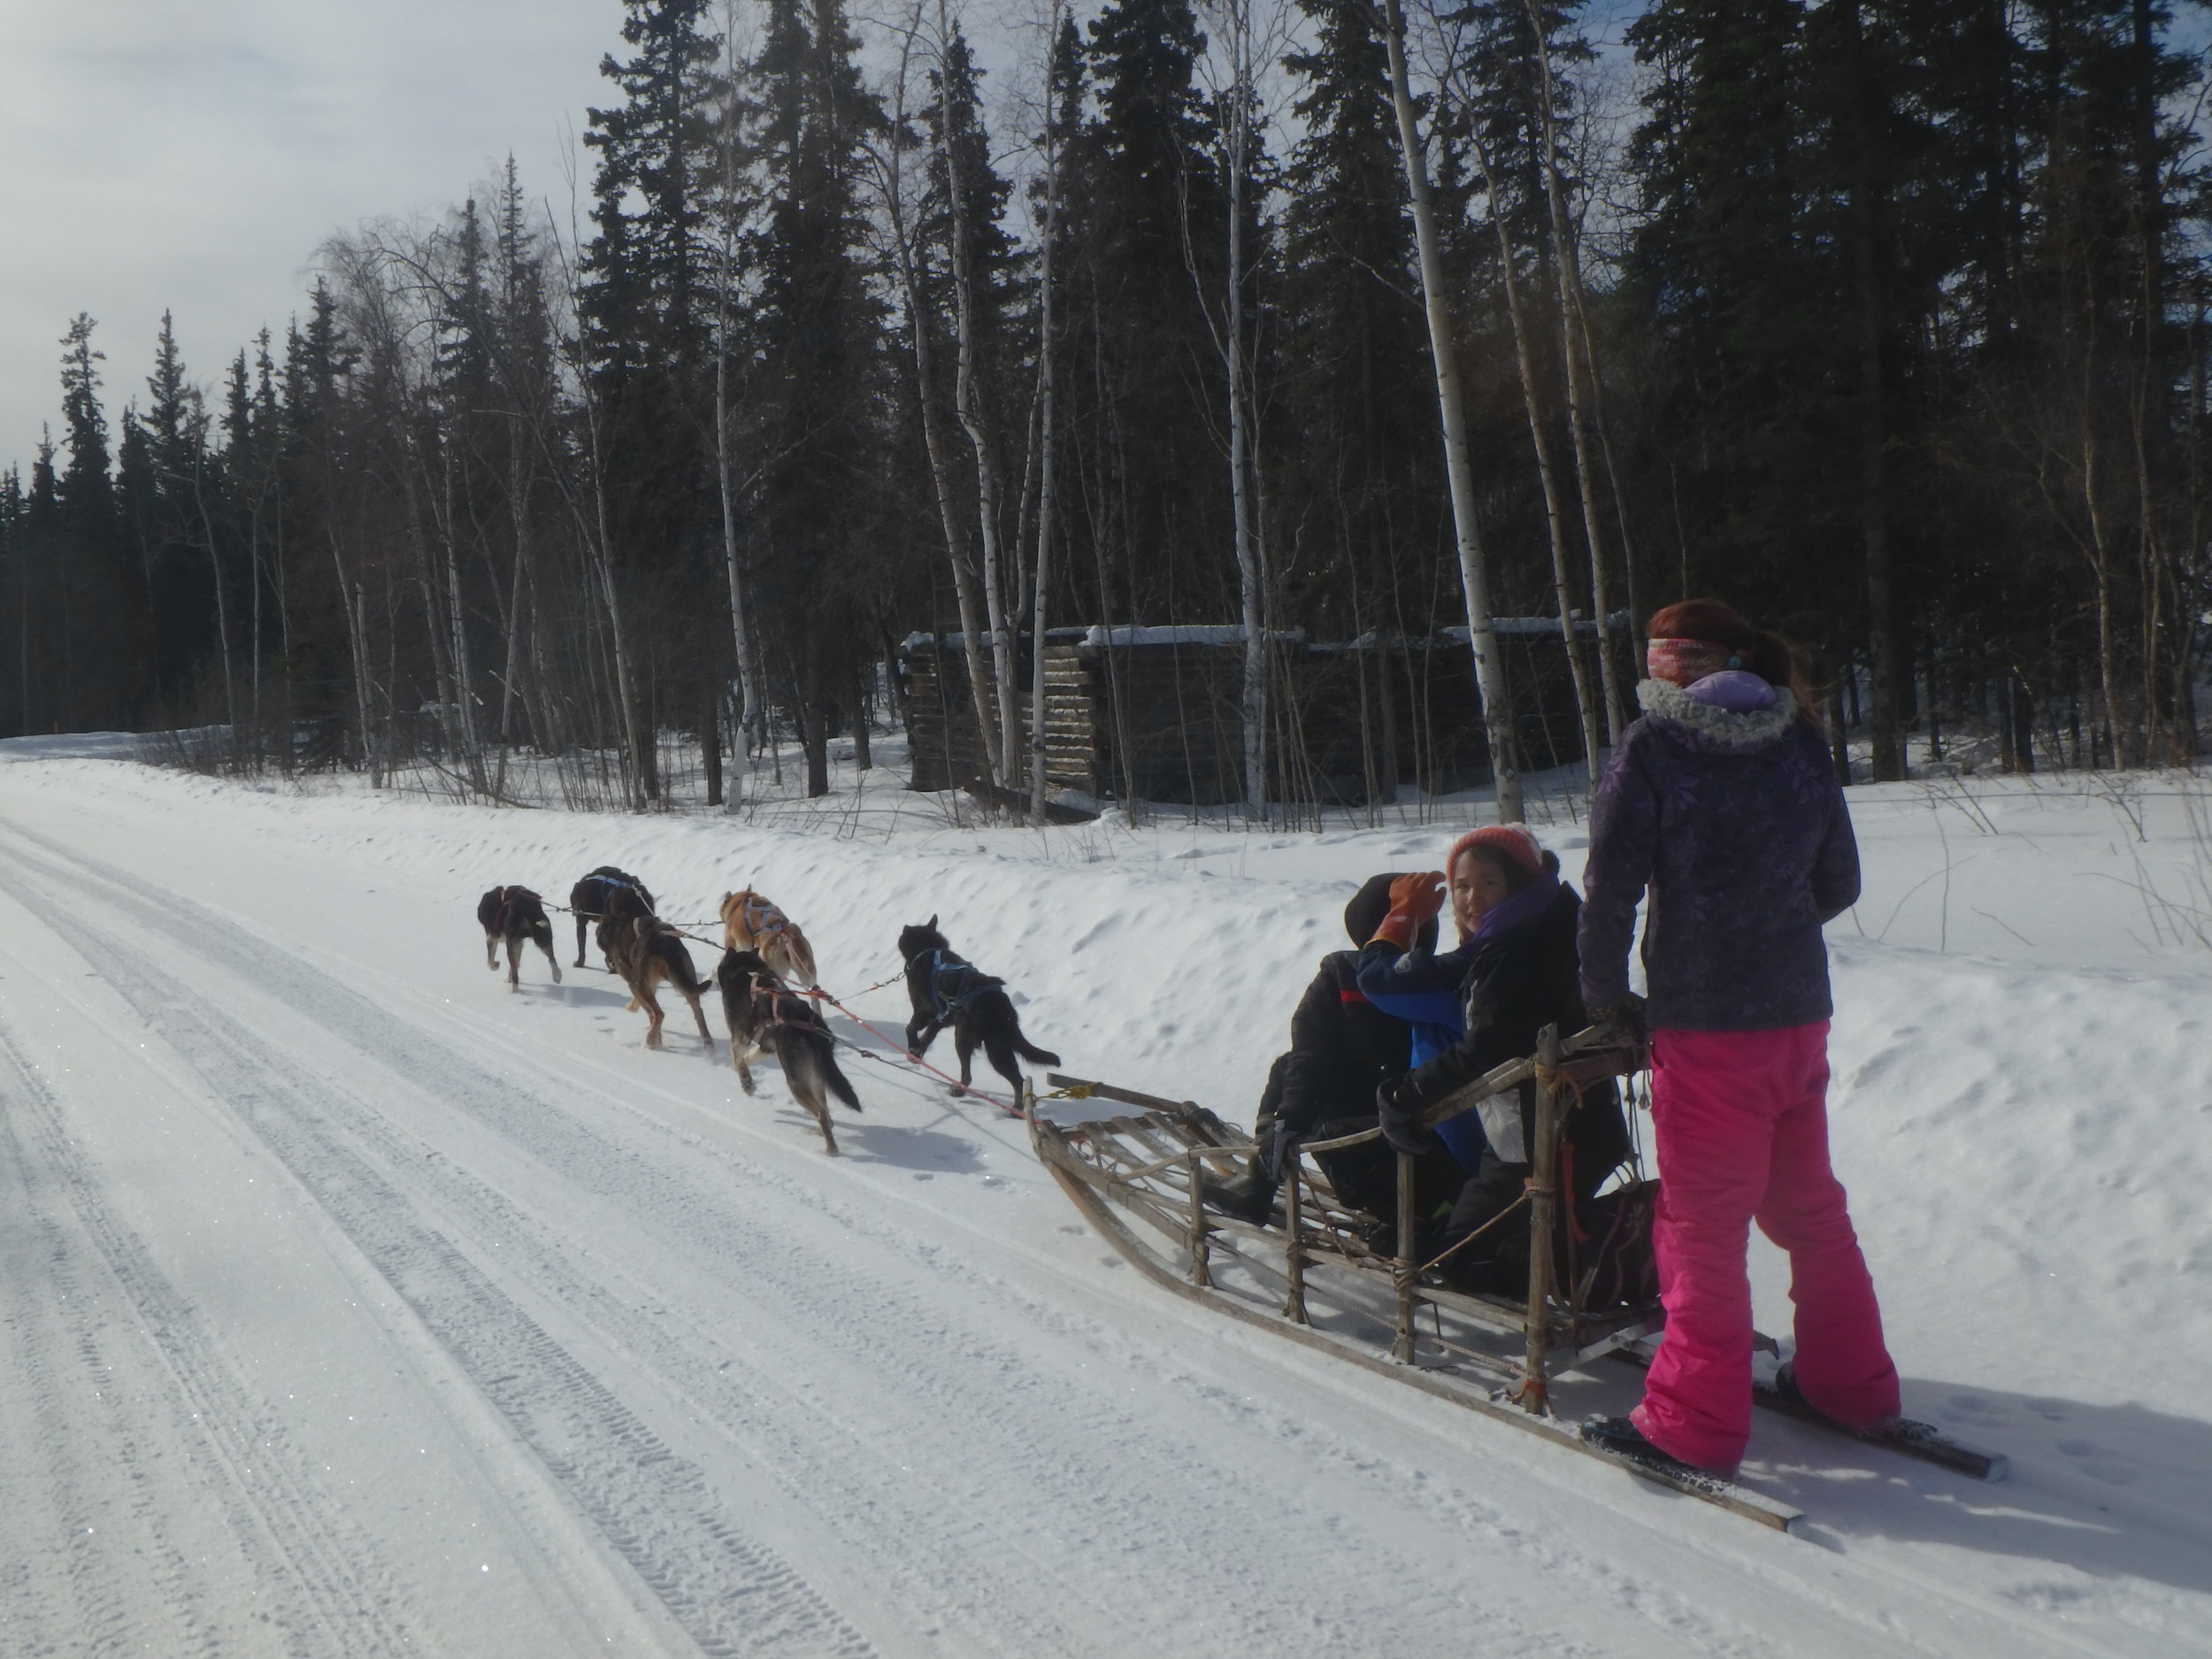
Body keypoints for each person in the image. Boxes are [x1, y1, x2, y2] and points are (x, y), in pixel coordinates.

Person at [1577, 599, 1900, 1479]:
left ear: (1667, 666)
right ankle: (1854, 1386)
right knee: (1808, 1210)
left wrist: (1606, 994)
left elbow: (1611, 887)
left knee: (1700, 1228)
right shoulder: (1797, 737)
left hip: (1705, 1024)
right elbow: (1839, 878)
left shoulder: (1654, 744)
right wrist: (1773, 932)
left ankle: (1689, 1424)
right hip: (1797, 1014)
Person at [1366, 827, 1631, 1290]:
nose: (1472, 899)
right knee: (1497, 1236)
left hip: (1533, 1144)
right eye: (1462, 886)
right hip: (1573, 1128)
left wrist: (1404, 1094)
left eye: (1488, 882)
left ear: (1517, 883)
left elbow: (1489, 1045)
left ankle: (1576, 1272)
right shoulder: (1548, 928)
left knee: (1457, 1261)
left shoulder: (1513, 952)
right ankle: (1575, 1261)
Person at [1202, 874, 1427, 1224]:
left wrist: (1290, 1118)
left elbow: (1312, 1056)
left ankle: (1261, 1179)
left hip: (1360, 1153)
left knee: (1290, 1067)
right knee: (1294, 1065)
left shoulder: (1342, 974)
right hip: (1422, 1135)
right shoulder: (1440, 976)